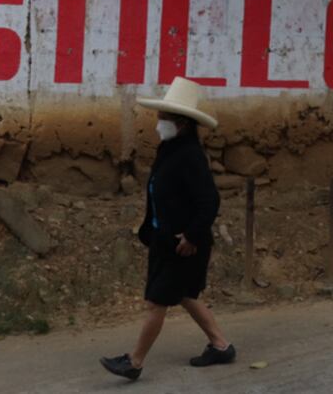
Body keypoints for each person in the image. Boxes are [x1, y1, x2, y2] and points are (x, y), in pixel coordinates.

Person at [100, 77, 236, 381]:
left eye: (165, 118)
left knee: (156, 302)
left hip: (182, 244)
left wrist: (191, 235)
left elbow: (209, 201)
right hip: (165, 240)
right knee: (187, 295)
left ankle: (134, 363)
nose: (159, 123)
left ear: (183, 124)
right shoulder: (171, 149)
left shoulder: (189, 156)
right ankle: (221, 346)